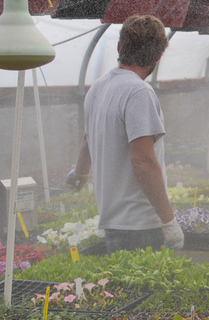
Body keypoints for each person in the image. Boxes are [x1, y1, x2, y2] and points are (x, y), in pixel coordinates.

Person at [69, 15, 184, 254]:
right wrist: (168, 221)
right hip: (141, 225)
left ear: (120, 47)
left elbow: (88, 138)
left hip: (112, 219)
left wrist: (80, 172)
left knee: (124, 291)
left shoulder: (98, 88)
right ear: (157, 57)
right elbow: (143, 161)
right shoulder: (139, 92)